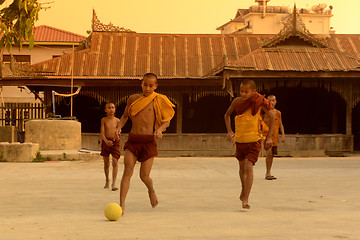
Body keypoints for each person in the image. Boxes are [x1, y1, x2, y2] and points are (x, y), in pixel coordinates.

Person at [116, 73, 175, 214]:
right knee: (127, 172)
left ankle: (151, 190)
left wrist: (160, 130)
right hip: (133, 140)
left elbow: (167, 120)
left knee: (144, 176)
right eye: (145, 85)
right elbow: (124, 117)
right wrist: (118, 128)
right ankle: (122, 204)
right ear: (141, 84)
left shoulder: (159, 100)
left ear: (155, 86)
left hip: (148, 142)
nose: (147, 88)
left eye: (150, 86)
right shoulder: (133, 99)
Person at [224, 79, 275, 209]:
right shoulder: (237, 102)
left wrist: (268, 138)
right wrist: (229, 131)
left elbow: (272, 117)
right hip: (240, 140)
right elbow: (227, 115)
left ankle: (246, 199)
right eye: (241, 91)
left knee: (248, 167)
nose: (243, 94)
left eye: (246, 92)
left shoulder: (258, 101)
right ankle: (243, 188)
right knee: (241, 168)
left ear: (254, 91)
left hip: (254, 139)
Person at [261, 95, 285, 180]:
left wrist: (283, 135)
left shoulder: (278, 113)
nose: (271, 102)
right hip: (266, 136)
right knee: (268, 153)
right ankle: (267, 173)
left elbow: (281, 125)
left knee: (272, 155)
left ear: (276, 101)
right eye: (269, 101)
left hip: (275, 136)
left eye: (273, 100)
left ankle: (269, 172)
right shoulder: (264, 111)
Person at [100, 102, 121, 191]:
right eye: (109, 108)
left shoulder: (117, 120)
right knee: (106, 163)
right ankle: (107, 180)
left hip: (115, 142)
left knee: (115, 162)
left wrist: (117, 136)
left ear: (115, 109)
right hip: (106, 142)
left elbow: (119, 131)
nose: (111, 109)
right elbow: (102, 132)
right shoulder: (104, 120)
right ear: (105, 110)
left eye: (112, 107)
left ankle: (114, 183)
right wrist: (106, 141)